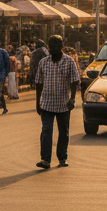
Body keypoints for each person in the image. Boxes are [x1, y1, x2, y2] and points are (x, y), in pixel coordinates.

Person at [34, 34, 80, 169]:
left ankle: (62, 158)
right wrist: (37, 103)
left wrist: (72, 99)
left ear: (61, 47)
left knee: (63, 132)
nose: (53, 49)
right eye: (51, 46)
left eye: (56, 46)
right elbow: (39, 83)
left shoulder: (69, 61)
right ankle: (45, 159)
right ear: (48, 48)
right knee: (46, 131)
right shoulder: (44, 62)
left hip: (63, 104)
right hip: (47, 103)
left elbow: (74, 81)